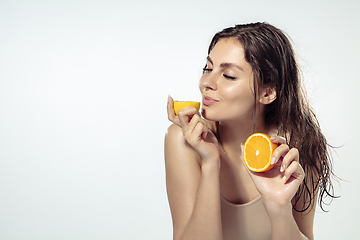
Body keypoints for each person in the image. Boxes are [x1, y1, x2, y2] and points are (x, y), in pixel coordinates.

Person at [164, 22, 337, 240]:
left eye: (228, 75)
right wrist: (210, 163)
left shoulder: (297, 147)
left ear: (268, 92)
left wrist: (279, 208)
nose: (206, 82)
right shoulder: (184, 140)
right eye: (207, 69)